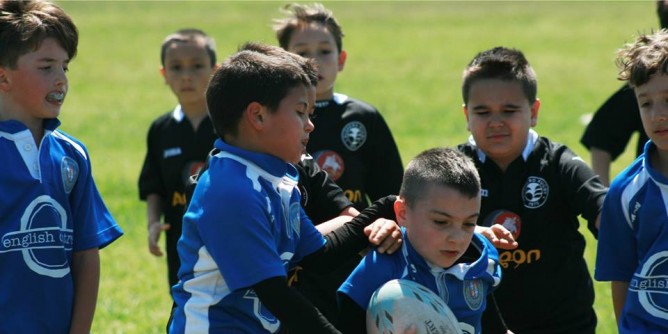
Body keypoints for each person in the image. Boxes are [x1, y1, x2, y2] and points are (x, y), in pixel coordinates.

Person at [168, 44, 404, 334]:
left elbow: (318, 255)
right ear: (258, 116)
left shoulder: (277, 177)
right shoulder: (231, 191)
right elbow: (277, 295)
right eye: (301, 112)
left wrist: (389, 207)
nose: (310, 126)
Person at [457, 47, 607, 333]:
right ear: (467, 114)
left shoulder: (559, 164)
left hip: (563, 325)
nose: (496, 122)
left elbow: (605, 210)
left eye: (509, 110)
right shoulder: (454, 171)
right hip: (482, 325)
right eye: (482, 111)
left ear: (533, 111)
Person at [0, 1, 124, 333]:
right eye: (46, 67)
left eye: (65, 67)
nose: (61, 81)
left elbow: (86, 254)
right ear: (3, 76)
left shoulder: (72, 155)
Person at [338, 147, 502, 334]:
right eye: (441, 222)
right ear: (403, 213)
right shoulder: (380, 268)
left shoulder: (481, 262)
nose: (457, 238)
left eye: (469, 223)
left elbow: (497, 329)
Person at [273, 3, 404, 211]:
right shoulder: (273, 119)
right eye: (302, 52)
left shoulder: (363, 118)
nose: (314, 61)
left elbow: (392, 195)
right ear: (283, 60)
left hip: (355, 236)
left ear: (341, 60)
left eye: (325, 51)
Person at [595, 29, 668, 333]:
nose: (658, 115)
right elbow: (620, 276)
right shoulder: (625, 192)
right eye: (646, 103)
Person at [138, 28, 218, 292]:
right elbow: (154, 187)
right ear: (164, 74)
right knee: (184, 297)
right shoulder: (161, 129)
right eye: (176, 67)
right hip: (180, 239)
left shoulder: (229, 124)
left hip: (225, 231)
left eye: (197, 66)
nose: (187, 76)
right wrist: (153, 224)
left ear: (214, 70)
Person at [580, 0, 668, 186]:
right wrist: (603, 202)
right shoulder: (649, 84)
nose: (658, 114)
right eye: (646, 104)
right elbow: (602, 137)